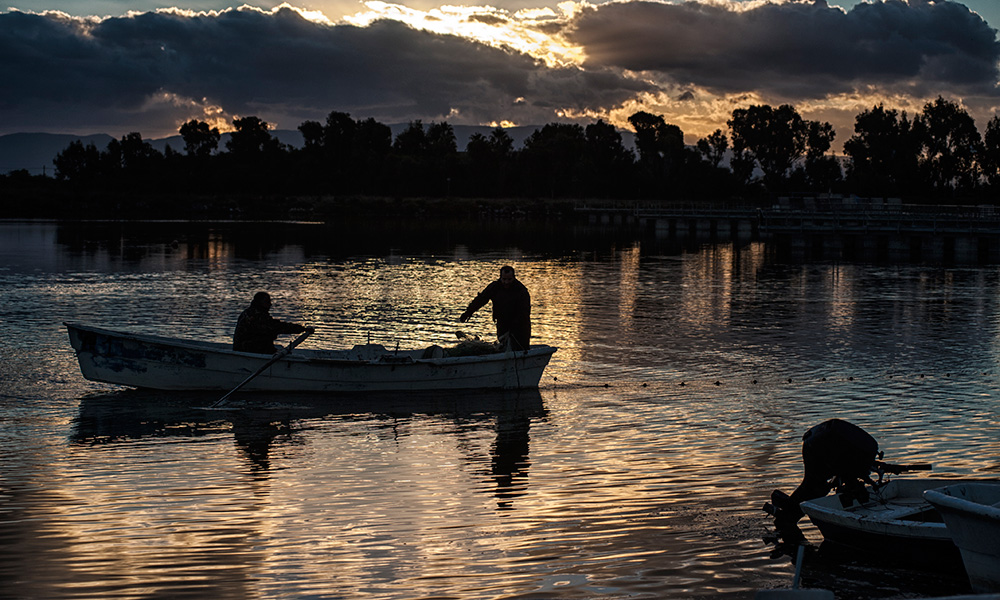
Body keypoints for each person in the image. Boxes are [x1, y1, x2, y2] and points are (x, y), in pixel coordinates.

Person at [768, 418, 879, 529]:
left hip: (825, 443)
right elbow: (846, 472)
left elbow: (847, 471)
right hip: (816, 448)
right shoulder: (860, 456)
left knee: (817, 487)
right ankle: (787, 516)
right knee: (815, 487)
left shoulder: (863, 453)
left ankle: (788, 513)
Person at [460, 265, 532, 350]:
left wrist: (515, 325)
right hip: (502, 323)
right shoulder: (495, 287)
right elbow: (481, 299)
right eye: (504, 279)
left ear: (514, 278)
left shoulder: (521, 290)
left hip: (520, 326)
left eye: (509, 279)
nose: (506, 282)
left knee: (521, 348)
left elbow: (525, 311)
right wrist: (468, 313)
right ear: (500, 278)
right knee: (503, 346)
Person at [233, 291, 310, 354]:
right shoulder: (255, 316)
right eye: (267, 302)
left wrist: (301, 329)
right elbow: (276, 327)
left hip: (249, 347)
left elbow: (274, 325)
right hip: (246, 349)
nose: (270, 304)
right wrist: (301, 329)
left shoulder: (255, 313)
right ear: (260, 303)